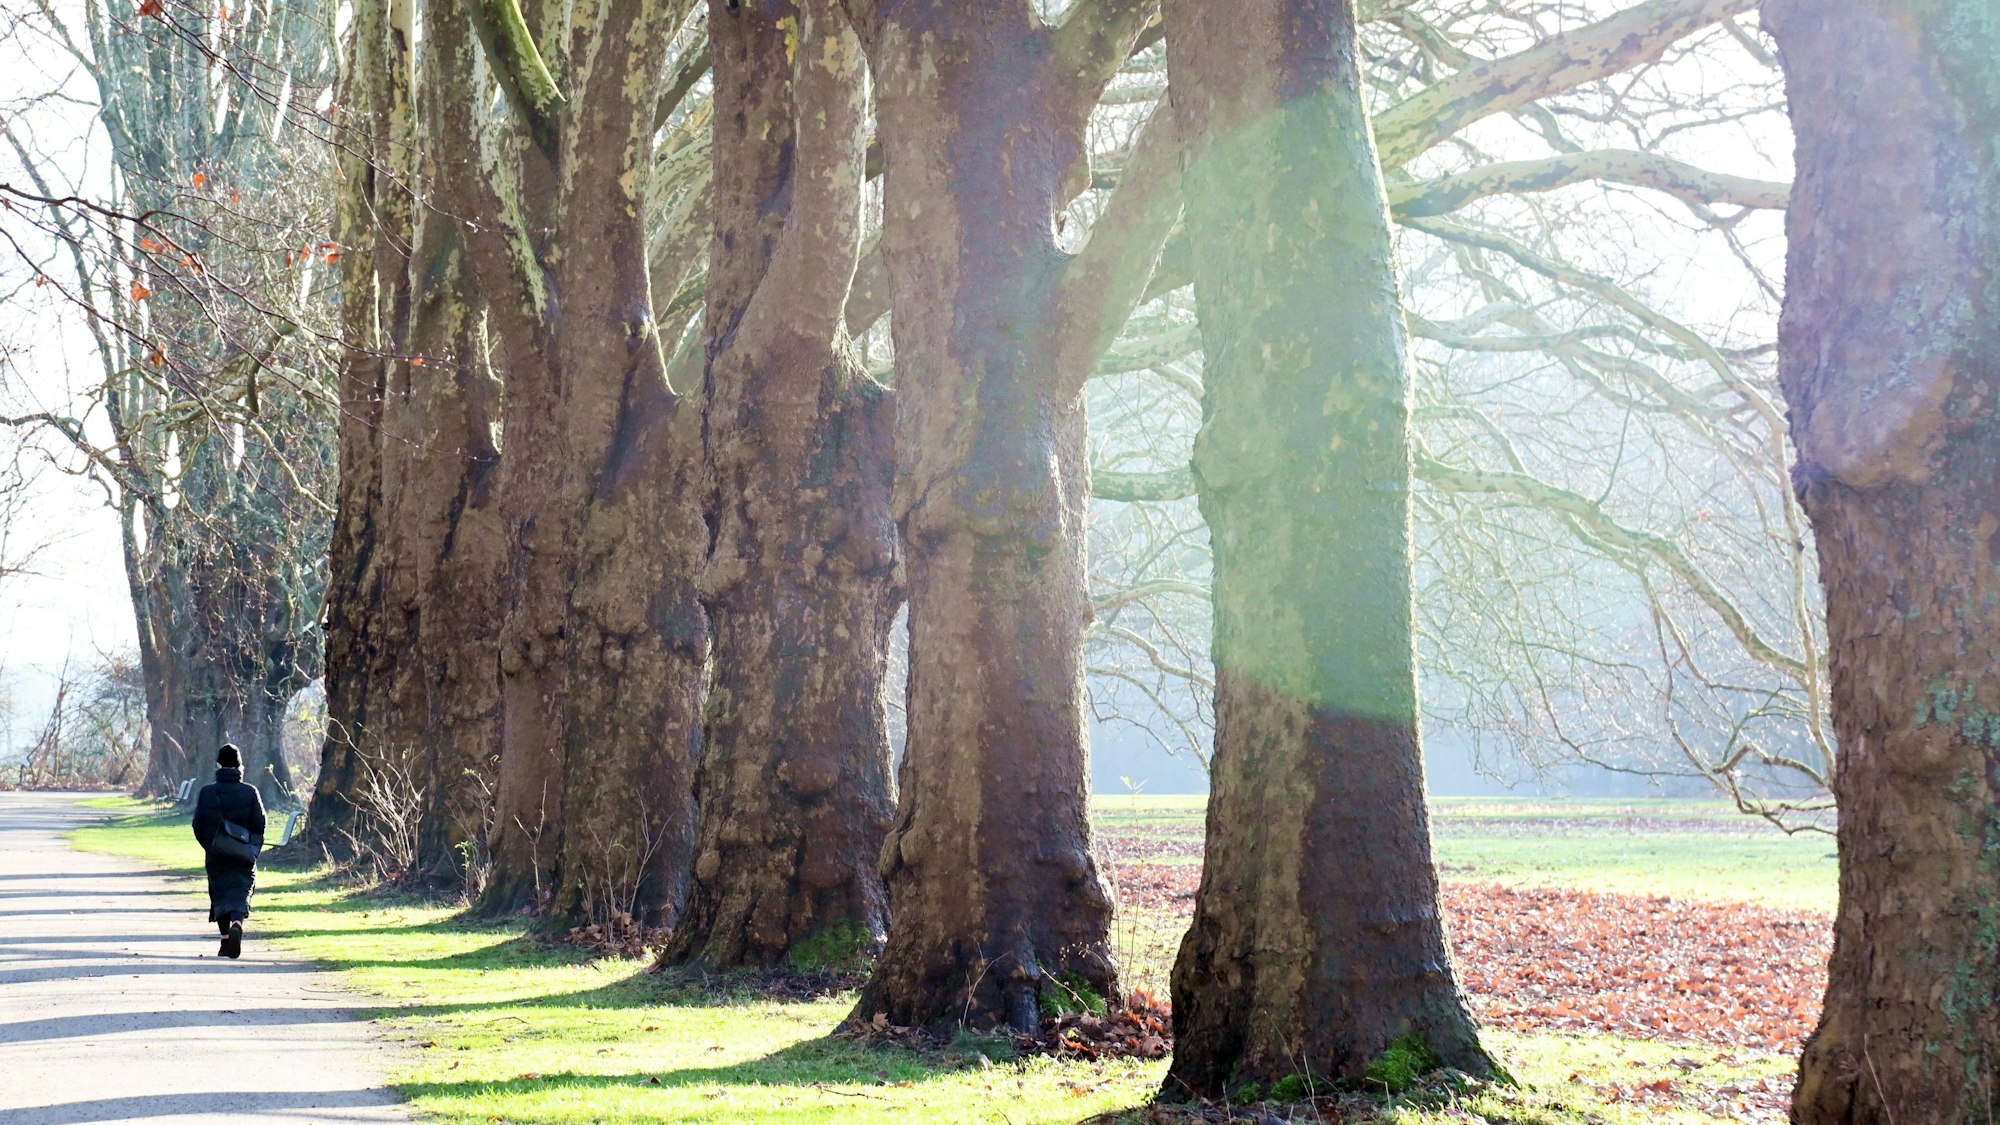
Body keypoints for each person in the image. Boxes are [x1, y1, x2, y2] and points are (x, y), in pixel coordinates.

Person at [191, 743, 266, 959]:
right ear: (240, 766)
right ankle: (237, 923)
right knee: (241, 891)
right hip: (244, 854)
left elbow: (198, 825)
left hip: (216, 854)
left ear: (218, 765)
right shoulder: (250, 792)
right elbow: (260, 824)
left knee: (220, 893)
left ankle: (225, 940)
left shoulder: (207, 792)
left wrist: (210, 846)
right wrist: (252, 847)